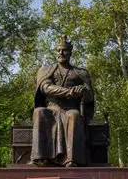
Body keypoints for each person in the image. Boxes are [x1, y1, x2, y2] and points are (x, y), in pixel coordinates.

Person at [30, 36, 95, 167]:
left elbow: (90, 97)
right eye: (58, 50)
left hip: (70, 108)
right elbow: (46, 88)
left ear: (70, 52)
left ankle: (72, 159)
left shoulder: (80, 73)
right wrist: (70, 92)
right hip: (52, 109)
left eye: (64, 50)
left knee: (74, 115)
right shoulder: (46, 70)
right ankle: (40, 158)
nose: (61, 53)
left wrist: (83, 91)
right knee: (39, 112)